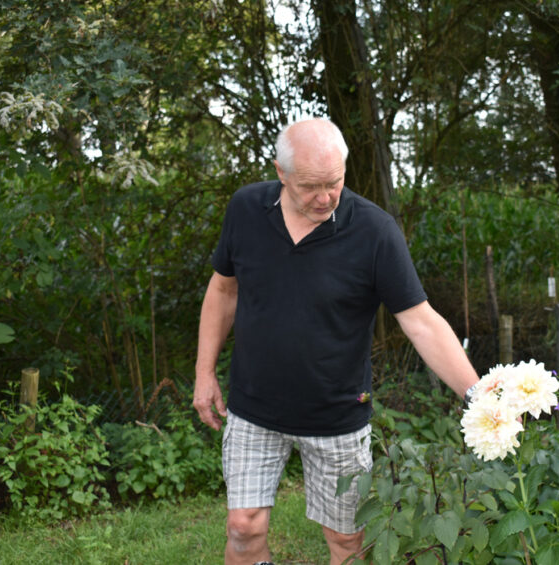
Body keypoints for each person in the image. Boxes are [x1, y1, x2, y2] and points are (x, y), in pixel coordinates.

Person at [193, 117, 479, 565]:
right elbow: (223, 290)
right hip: (253, 407)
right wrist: (203, 372)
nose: (325, 197)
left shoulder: (375, 231)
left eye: (335, 182)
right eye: (311, 186)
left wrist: (478, 397)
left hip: (337, 415)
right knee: (242, 528)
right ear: (281, 173)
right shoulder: (247, 209)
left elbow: (421, 321)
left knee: (347, 544)